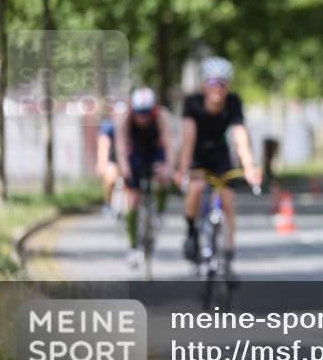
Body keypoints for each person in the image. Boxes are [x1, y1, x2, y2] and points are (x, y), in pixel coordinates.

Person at [176, 57, 261, 274]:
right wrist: (183, 172)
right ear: (204, 85)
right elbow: (188, 141)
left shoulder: (234, 102)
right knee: (196, 188)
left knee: (228, 200)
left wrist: (250, 167)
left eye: (222, 83)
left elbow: (240, 136)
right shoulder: (192, 104)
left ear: (228, 85)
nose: (217, 88)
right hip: (198, 152)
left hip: (221, 153)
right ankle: (191, 233)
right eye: (212, 83)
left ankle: (229, 255)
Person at [115, 87, 173, 267]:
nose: (143, 118)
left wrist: (169, 168)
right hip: (136, 153)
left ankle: (161, 212)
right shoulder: (125, 118)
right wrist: (124, 168)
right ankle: (133, 247)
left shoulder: (161, 116)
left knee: (163, 176)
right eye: (139, 114)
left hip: (155, 151)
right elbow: (120, 145)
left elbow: (170, 143)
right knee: (132, 200)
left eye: (147, 113)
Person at [96, 114, 120, 220]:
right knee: (110, 178)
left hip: (130, 157)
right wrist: (102, 163)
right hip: (113, 157)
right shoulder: (109, 126)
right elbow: (103, 144)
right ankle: (107, 204)